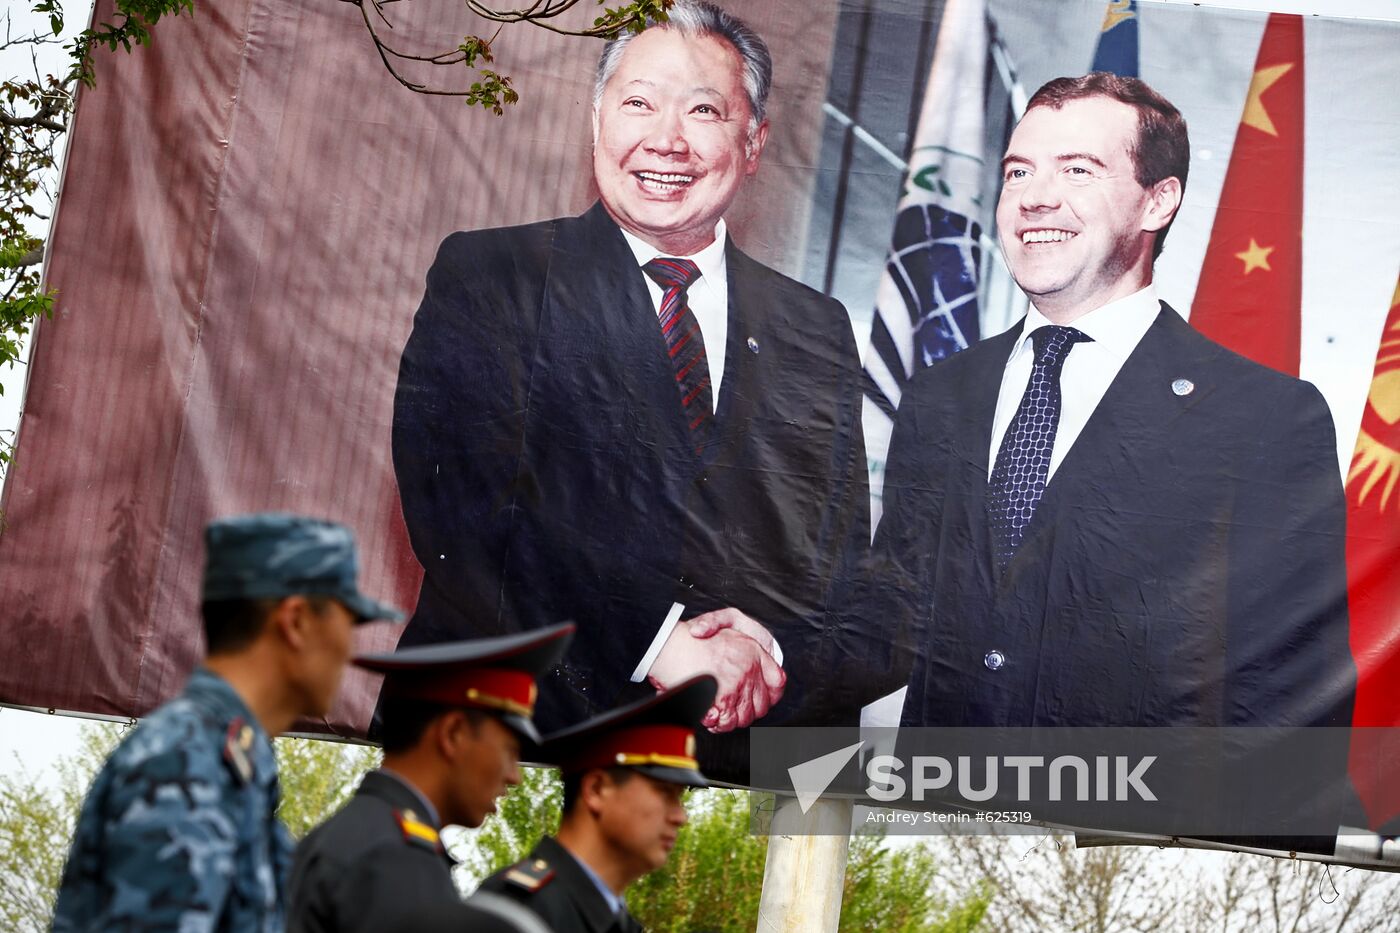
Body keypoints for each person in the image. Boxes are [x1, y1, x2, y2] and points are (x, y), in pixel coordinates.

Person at [389, 0, 870, 773]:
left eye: (703, 110)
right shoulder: (495, 279)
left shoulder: (816, 329)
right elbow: (463, 515)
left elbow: (836, 570)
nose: (665, 139)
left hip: (717, 777)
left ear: (753, 142)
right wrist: (659, 640)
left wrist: (764, 652)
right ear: (596, 121)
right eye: (638, 103)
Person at [869, 74, 1356, 834]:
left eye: (1077, 169)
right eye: (1018, 172)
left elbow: (1290, 713)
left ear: (1158, 201)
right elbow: (882, 624)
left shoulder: (1266, 418)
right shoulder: (940, 396)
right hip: (932, 854)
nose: (1033, 196)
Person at [51, 513, 402, 932]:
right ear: (296, 622)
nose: (350, 649)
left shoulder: (229, 765)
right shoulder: (187, 760)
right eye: (349, 622)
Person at [286, 623, 575, 933]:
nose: (514, 776)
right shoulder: (396, 863)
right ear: (453, 734)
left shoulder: (363, 835)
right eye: (508, 751)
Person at [476, 676, 717, 933]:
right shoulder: (512, 915)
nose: (681, 817)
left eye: (679, 798)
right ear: (596, 790)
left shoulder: (612, 923)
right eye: (666, 793)